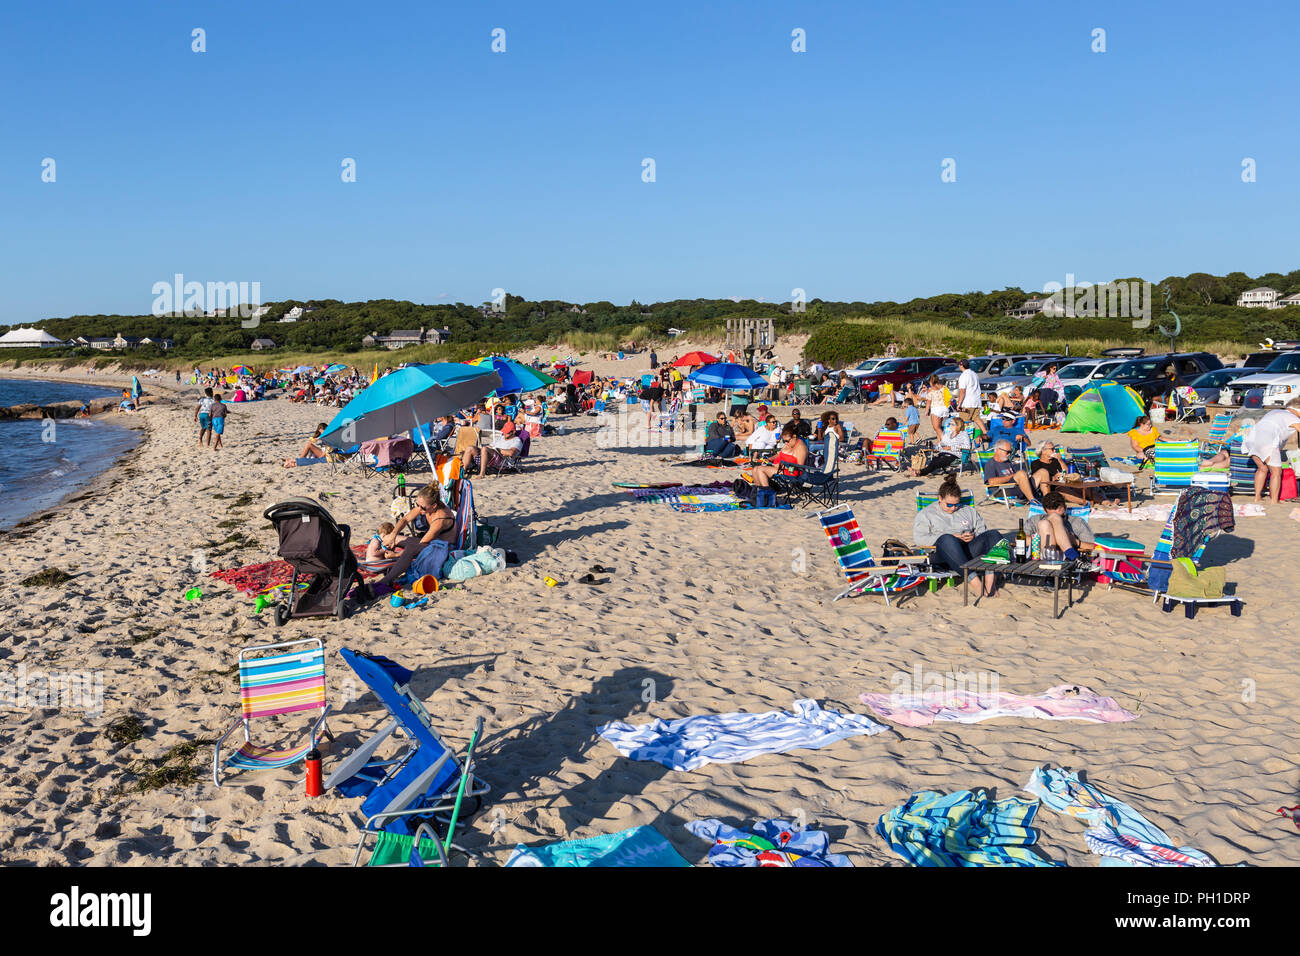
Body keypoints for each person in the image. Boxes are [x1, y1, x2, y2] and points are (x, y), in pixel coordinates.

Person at [356, 485, 457, 598]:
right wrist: (392, 536)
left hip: (442, 548)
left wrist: (396, 554)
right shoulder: (424, 506)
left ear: (433, 506)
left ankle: (385, 580)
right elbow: (405, 519)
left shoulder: (440, 519)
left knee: (410, 549)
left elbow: (420, 545)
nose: (419, 508)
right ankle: (387, 561)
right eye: (417, 504)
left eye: (422, 507)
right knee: (391, 536)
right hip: (429, 542)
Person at [913, 474, 1002, 599]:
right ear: (940, 498)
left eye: (956, 504)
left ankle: (990, 585)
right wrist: (951, 536)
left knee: (994, 535)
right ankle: (976, 584)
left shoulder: (968, 510)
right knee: (947, 539)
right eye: (949, 505)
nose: (953, 508)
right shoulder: (927, 514)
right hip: (941, 555)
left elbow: (983, 531)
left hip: (967, 552)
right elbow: (919, 539)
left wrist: (973, 535)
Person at [1240, 402, 1300, 503]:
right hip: (1267, 440)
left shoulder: (1274, 412)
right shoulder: (1294, 418)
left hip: (1251, 438)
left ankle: (1257, 497)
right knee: (1276, 472)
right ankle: (1274, 501)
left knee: (1262, 468)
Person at [1035, 491, 1094, 559]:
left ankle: (1067, 555)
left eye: (1061, 516)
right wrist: (1039, 539)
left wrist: (1076, 542)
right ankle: (1071, 555)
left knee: (1045, 522)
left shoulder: (1077, 522)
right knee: (1044, 524)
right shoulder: (1036, 519)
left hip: (1063, 559)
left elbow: (1095, 547)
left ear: (1065, 508)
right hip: (1041, 555)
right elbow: (1021, 539)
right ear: (1045, 511)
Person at [751, 422, 808, 490]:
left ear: (794, 437)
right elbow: (779, 454)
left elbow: (799, 468)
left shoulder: (801, 448)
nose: (786, 443)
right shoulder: (789, 443)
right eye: (784, 441)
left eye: (787, 441)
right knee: (755, 469)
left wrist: (783, 467)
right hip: (779, 468)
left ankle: (768, 494)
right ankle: (758, 491)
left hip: (791, 473)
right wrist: (769, 459)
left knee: (760, 470)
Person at [956, 359, 987, 437]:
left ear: (961, 365)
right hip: (976, 401)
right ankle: (986, 433)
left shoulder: (964, 375)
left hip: (968, 402)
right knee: (976, 418)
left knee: (963, 422)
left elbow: (962, 391)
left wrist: (959, 404)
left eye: (959, 365)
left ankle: (963, 439)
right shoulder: (974, 373)